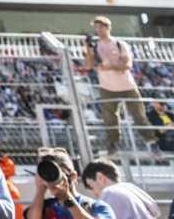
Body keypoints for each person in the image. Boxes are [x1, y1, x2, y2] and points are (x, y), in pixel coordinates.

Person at [83, 16, 158, 155]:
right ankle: (113, 145)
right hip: (107, 87)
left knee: (139, 116)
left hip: (128, 86)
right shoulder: (95, 46)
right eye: (96, 27)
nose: (98, 30)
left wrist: (110, 66)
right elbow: (88, 66)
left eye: (101, 27)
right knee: (110, 118)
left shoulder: (120, 44)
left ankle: (152, 143)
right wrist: (88, 49)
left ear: (107, 27)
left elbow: (127, 65)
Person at [26, 148, 114, 219]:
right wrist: (40, 189)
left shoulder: (95, 206)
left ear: (73, 176)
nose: (54, 178)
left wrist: (67, 199)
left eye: (58, 173)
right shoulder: (44, 207)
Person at [81, 159, 158, 219]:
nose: (94, 194)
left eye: (92, 187)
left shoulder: (110, 193)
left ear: (100, 178)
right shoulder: (130, 188)